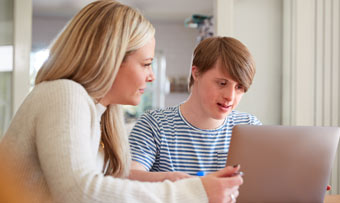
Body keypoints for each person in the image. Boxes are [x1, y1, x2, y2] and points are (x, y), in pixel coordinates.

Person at [0, 1, 243, 202]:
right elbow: (78, 192)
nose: (152, 76)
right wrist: (196, 192)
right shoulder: (64, 94)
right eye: (146, 64)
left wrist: (181, 180)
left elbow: (109, 186)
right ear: (111, 58)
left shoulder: (101, 114)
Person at [129, 36, 261, 182]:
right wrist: (173, 180)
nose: (230, 97)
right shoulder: (154, 124)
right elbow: (129, 176)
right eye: (222, 83)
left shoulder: (249, 126)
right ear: (196, 73)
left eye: (239, 87)